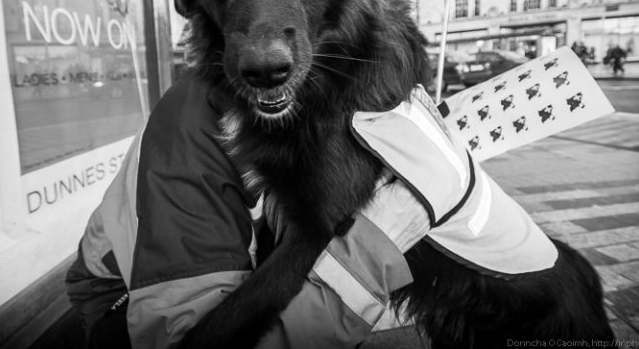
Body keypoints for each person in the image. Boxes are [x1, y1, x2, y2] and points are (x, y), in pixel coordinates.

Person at [66, 68, 433, 349]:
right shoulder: (191, 131)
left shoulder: (318, 105)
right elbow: (183, 336)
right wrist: (371, 255)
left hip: (240, 263)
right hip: (121, 300)